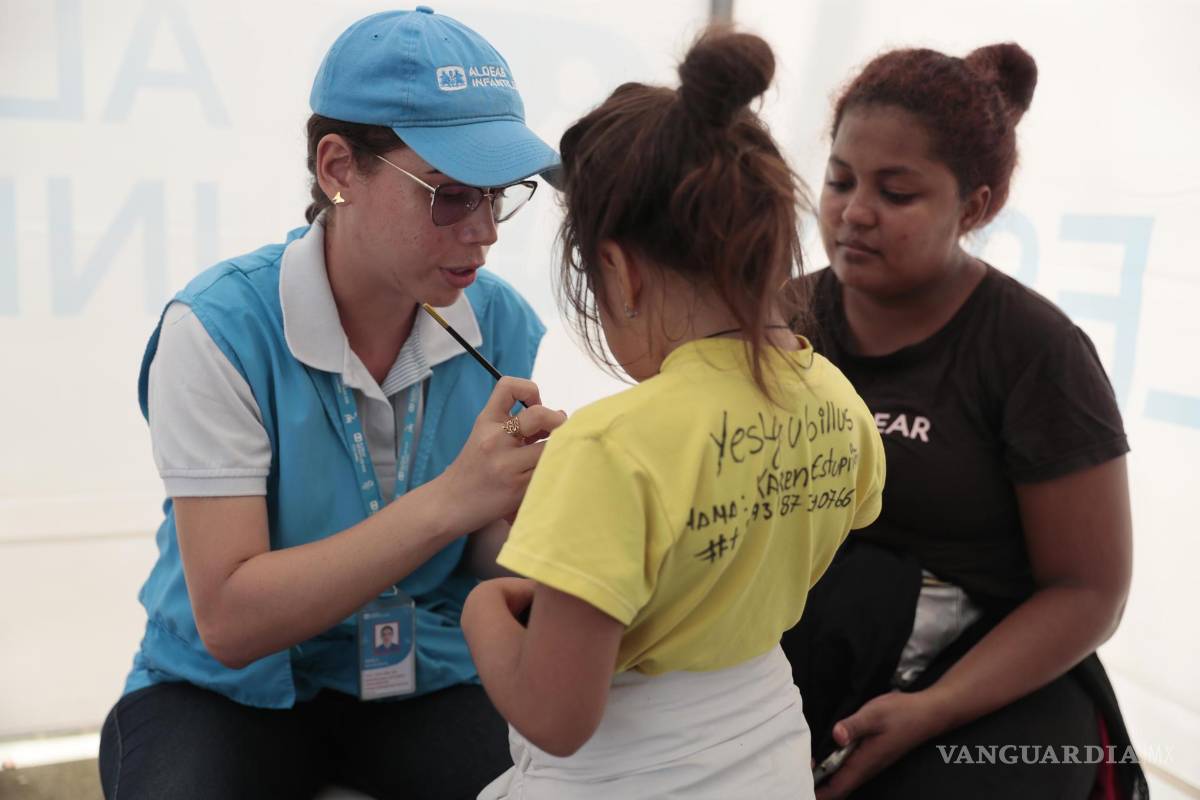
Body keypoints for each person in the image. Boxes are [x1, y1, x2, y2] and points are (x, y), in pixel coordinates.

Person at [97, 8, 567, 800]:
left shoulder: (502, 322)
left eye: (499, 195)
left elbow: (488, 553)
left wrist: (554, 518)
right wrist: (454, 500)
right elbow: (232, 621)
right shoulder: (218, 329)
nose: (485, 232)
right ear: (339, 169)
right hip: (221, 693)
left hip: (423, 675)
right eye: (452, 194)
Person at [460, 29, 887, 800]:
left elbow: (557, 718)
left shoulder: (607, 447)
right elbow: (744, 553)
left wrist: (484, 607)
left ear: (619, 271)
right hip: (769, 757)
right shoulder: (839, 402)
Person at [779, 43, 1147, 799]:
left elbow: (1088, 592)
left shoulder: (1036, 353)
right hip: (812, 649)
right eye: (840, 181)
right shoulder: (780, 322)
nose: (855, 212)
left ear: (974, 209)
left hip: (990, 675)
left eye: (896, 193)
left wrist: (931, 710)